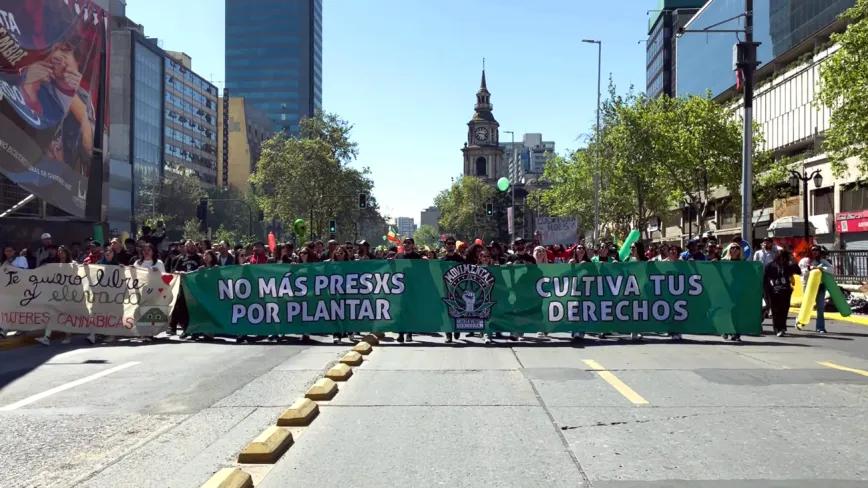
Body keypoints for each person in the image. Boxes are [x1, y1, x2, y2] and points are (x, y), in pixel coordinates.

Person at [764, 250, 801, 337]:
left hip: (786, 290)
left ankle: (783, 327)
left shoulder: (788, 265)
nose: (782, 259)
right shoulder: (770, 265)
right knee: (776, 311)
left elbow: (798, 271)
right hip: (774, 291)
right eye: (780, 257)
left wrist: (793, 260)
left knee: (784, 310)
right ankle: (777, 329)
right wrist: (767, 291)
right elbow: (765, 279)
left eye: (784, 257)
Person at [798, 245, 833, 334]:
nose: (815, 252)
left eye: (817, 250)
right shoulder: (805, 261)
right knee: (806, 306)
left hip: (820, 287)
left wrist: (822, 268)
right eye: (813, 250)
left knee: (820, 307)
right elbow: (801, 272)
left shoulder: (822, 261)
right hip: (808, 287)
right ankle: (800, 322)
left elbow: (831, 269)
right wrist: (810, 269)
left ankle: (820, 327)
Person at [396, 238, 423, 343]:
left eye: (409, 243)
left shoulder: (417, 257)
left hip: (412, 288)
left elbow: (421, 272)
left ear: (413, 245)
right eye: (405, 243)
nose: (406, 245)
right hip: (400, 289)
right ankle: (400, 334)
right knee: (401, 312)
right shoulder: (398, 256)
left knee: (410, 311)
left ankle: (409, 334)